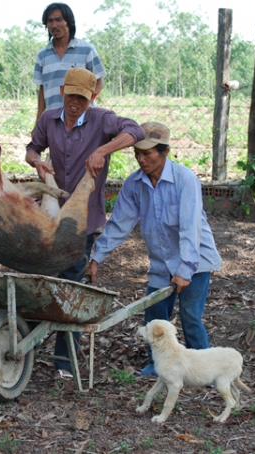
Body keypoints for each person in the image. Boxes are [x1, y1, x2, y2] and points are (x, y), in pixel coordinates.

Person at [25, 67, 144, 379]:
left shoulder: (102, 120)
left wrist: (102, 150)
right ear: (62, 91)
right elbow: (32, 147)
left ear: (92, 97)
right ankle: (27, 345)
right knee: (43, 280)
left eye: (82, 97)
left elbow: (135, 131)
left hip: (83, 221)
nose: (74, 102)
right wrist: (37, 161)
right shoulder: (49, 118)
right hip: (51, 215)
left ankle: (65, 363)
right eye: (70, 95)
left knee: (73, 287)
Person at [83, 122, 222, 377]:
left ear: (165, 151)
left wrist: (185, 270)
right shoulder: (134, 184)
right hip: (162, 262)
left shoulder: (185, 180)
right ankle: (158, 366)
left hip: (196, 260)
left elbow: (191, 229)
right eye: (137, 153)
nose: (141, 159)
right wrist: (96, 259)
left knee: (191, 317)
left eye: (147, 153)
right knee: (155, 317)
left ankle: (205, 370)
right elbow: (119, 223)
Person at [34, 2, 106, 121]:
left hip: (83, 119)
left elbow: (99, 81)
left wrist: (84, 103)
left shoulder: (87, 50)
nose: (54, 25)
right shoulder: (42, 56)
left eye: (58, 20)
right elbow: (43, 90)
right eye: (50, 21)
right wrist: (39, 122)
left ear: (69, 21)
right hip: (53, 121)